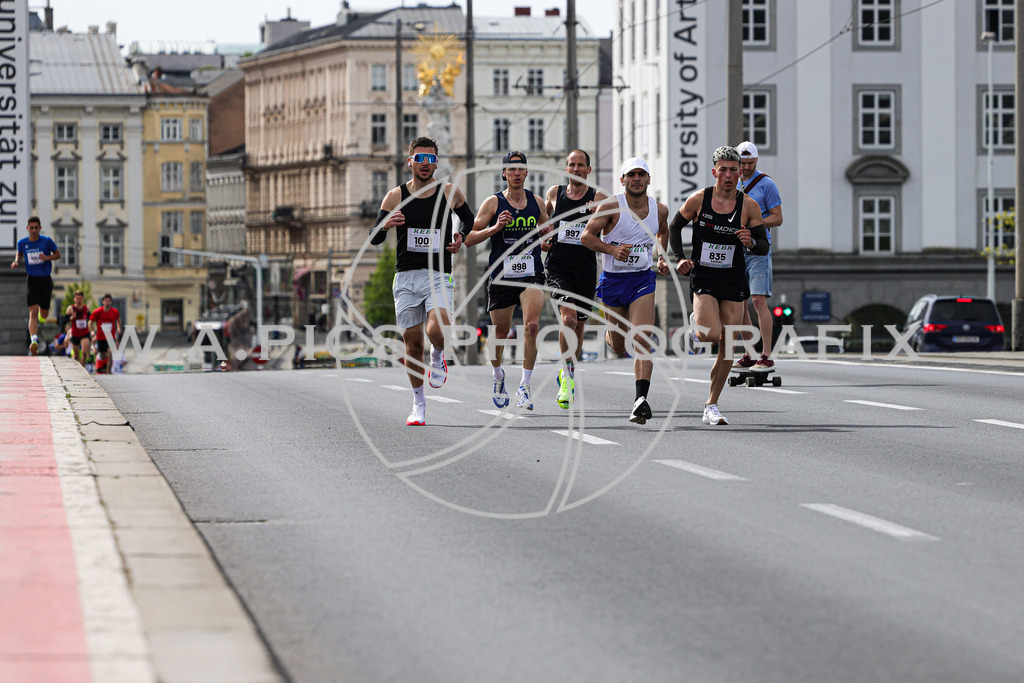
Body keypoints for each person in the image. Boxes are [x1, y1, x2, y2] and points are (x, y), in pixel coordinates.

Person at [371, 136, 475, 426]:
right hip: (406, 277)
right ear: (411, 162)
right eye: (420, 159)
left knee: (438, 327)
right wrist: (385, 224)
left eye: (431, 160)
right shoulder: (395, 196)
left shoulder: (449, 193)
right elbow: (374, 238)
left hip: (438, 274)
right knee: (412, 344)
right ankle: (418, 404)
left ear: (436, 163)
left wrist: (460, 236)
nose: (426, 165)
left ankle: (438, 355)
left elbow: (469, 219)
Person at [671, 146, 770, 426]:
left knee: (728, 346)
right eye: (723, 169)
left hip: (733, 278)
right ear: (714, 171)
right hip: (704, 277)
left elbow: (763, 245)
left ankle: (711, 404)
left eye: (733, 169)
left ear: (740, 173)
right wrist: (680, 259)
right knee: (710, 335)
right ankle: (696, 328)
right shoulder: (699, 200)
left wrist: (750, 241)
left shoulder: (748, 205)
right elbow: (675, 226)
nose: (728, 175)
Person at [580, 158, 670, 425]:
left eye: (642, 174)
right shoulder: (611, 206)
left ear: (648, 179)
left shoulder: (660, 209)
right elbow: (587, 236)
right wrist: (611, 249)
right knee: (619, 346)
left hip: (642, 279)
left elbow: (663, 232)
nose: (637, 178)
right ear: (623, 180)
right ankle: (612, 334)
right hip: (613, 281)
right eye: (631, 174)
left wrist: (661, 256)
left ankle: (641, 399)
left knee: (642, 339)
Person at [465, 150, 551, 411]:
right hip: (502, 276)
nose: (516, 173)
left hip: (531, 273)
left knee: (532, 326)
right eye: (511, 169)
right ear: (504, 173)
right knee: (501, 333)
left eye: (521, 169)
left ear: (526, 173)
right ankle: (498, 375)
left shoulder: (537, 203)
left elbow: (547, 238)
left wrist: (546, 239)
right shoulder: (492, 203)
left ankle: (524, 386)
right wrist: (495, 228)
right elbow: (469, 238)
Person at [544, 149, 608, 409]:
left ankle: (568, 371)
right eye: (571, 164)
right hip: (558, 267)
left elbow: (610, 226)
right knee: (568, 319)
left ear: (588, 170)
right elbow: (543, 222)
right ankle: (566, 374)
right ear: (566, 169)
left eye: (581, 165)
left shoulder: (599, 197)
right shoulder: (553, 194)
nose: (576, 169)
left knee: (579, 325)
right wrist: (544, 239)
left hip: (585, 268)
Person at [731, 141, 783, 372]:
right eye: (742, 163)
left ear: (757, 161)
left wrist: (753, 224)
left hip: (759, 247)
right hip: (735, 249)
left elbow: (778, 217)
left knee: (758, 300)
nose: (746, 167)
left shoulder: (766, 184)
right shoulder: (732, 182)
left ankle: (767, 355)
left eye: (750, 163)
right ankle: (750, 353)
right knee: (739, 303)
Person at [10, 216, 61, 355]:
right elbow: (19, 253)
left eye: (36, 228)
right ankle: (34, 340)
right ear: (27, 228)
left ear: (40, 228)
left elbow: (58, 254)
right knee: (32, 311)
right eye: (31, 228)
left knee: (43, 312)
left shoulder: (46, 241)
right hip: (32, 280)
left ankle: (41, 319)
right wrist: (16, 261)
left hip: (45, 280)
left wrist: (47, 257)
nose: (33, 230)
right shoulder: (22, 243)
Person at [89, 294, 122, 375]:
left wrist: (118, 328)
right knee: (102, 355)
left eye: (109, 301)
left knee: (110, 352)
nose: (107, 302)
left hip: (111, 337)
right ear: (103, 302)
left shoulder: (115, 312)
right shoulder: (97, 312)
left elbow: (118, 320)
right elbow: (90, 322)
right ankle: (98, 368)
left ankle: (108, 372)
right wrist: (92, 330)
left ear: (110, 302)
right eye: (106, 301)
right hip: (101, 337)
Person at [65, 290, 93, 367]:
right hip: (75, 334)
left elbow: (90, 318)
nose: (79, 301)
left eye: (80, 299)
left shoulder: (85, 308)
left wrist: (91, 325)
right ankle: (75, 367)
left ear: (83, 299)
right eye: (77, 298)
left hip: (84, 333)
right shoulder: (70, 308)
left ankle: (82, 369)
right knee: (76, 355)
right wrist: (71, 318)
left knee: (84, 352)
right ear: (74, 299)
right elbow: (64, 320)